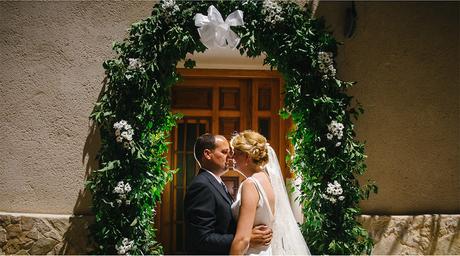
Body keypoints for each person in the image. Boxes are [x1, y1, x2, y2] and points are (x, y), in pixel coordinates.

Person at [184, 133, 272, 255]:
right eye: (225, 152)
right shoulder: (201, 185)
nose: (230, 157)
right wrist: (246, 238)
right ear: (207, 154)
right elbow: (201, 239)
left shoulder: (218, 183)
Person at [230, 130, 311, 255]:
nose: (232, 157)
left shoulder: (250, 185)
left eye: (236, 153)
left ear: (247, 157)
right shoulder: (269, 179)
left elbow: (243, 239)